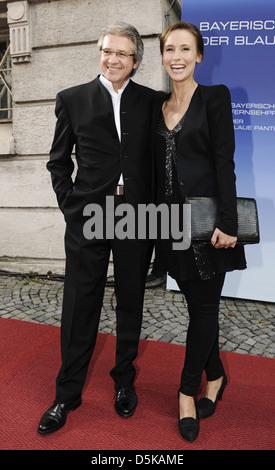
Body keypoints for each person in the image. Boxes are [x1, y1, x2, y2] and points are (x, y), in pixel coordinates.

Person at [38, 22, 158, 434]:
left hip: (135, 216)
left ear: (136, 61)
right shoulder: (72, 99)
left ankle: (123, 381)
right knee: (79, 304)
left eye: (122, 53)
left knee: (130, 300)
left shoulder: (151, 102)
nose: (112, 59)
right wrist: (72, 206)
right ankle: (66, 394)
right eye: (107, 51)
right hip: (88, 216)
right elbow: (58, 161)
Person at [153, 21, 246, 442]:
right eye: (170, 49)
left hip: (209, 227)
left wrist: (229, 222)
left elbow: (224, 161)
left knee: (205, 311)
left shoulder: (215, 97)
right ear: (162, 55)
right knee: (197, 309)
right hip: (172, 227)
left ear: (199, 56)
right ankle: (217, 375)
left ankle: (186, 393)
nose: (177, 56)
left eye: (185, 49)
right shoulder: (156, 107)